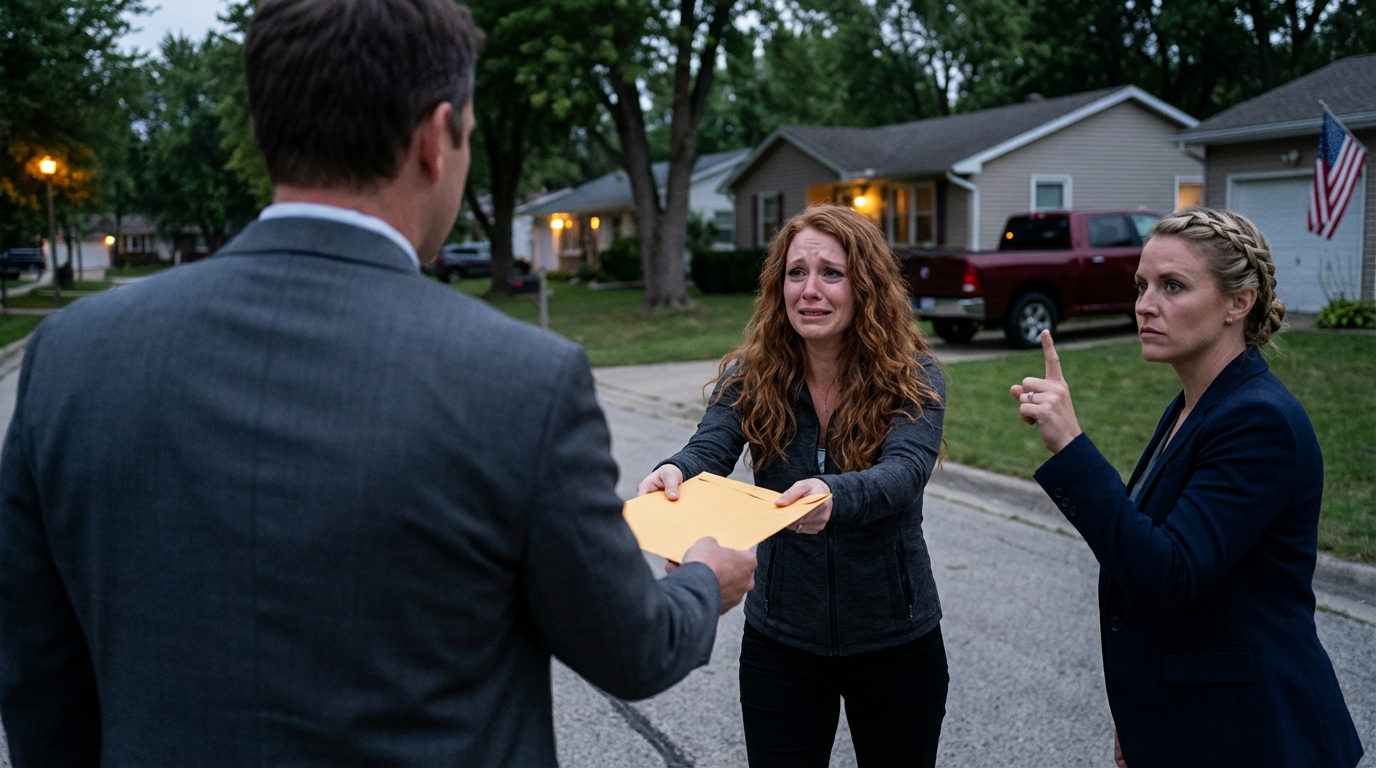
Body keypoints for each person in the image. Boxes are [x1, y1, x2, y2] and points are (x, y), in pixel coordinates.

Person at [0, 0, 757, 764]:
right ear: (436, 139)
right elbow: (631, 648)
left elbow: (36, 673)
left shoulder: (72, 353)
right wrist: (702, 581)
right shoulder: (521, 380)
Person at [1012, 207, 1363, 768]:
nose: (1145, 305)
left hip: (1258, 735)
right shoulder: (1196, 405)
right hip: (1194, 722)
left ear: (1238, 302)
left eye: (1173, 286)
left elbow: (1167, 574)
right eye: (1142, 285)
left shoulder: (1258, 421)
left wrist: (1072, 446)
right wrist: (1148, 715)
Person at [638, 204, 949, 767]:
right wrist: (675, 471)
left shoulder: (915, 376)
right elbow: (709, 448)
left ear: (866, 285)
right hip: (781, 640)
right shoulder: (754, 375)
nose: (810, 289)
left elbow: (903, 475)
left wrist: (834, 494)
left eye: (832, 273)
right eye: (796, 272)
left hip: (896, 641)